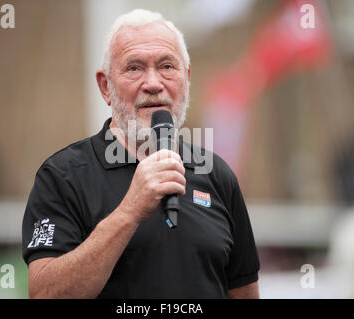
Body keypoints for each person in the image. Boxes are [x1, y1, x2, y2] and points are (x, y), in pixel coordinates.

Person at [22, 9, 260, 299]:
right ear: (105, 87)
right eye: (134, 68)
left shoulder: (217, 174)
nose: (153, 83)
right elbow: (44, 295)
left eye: (166, 66)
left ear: (186, 79)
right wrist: (129, 212)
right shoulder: (62, 176)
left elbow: (245, 292)